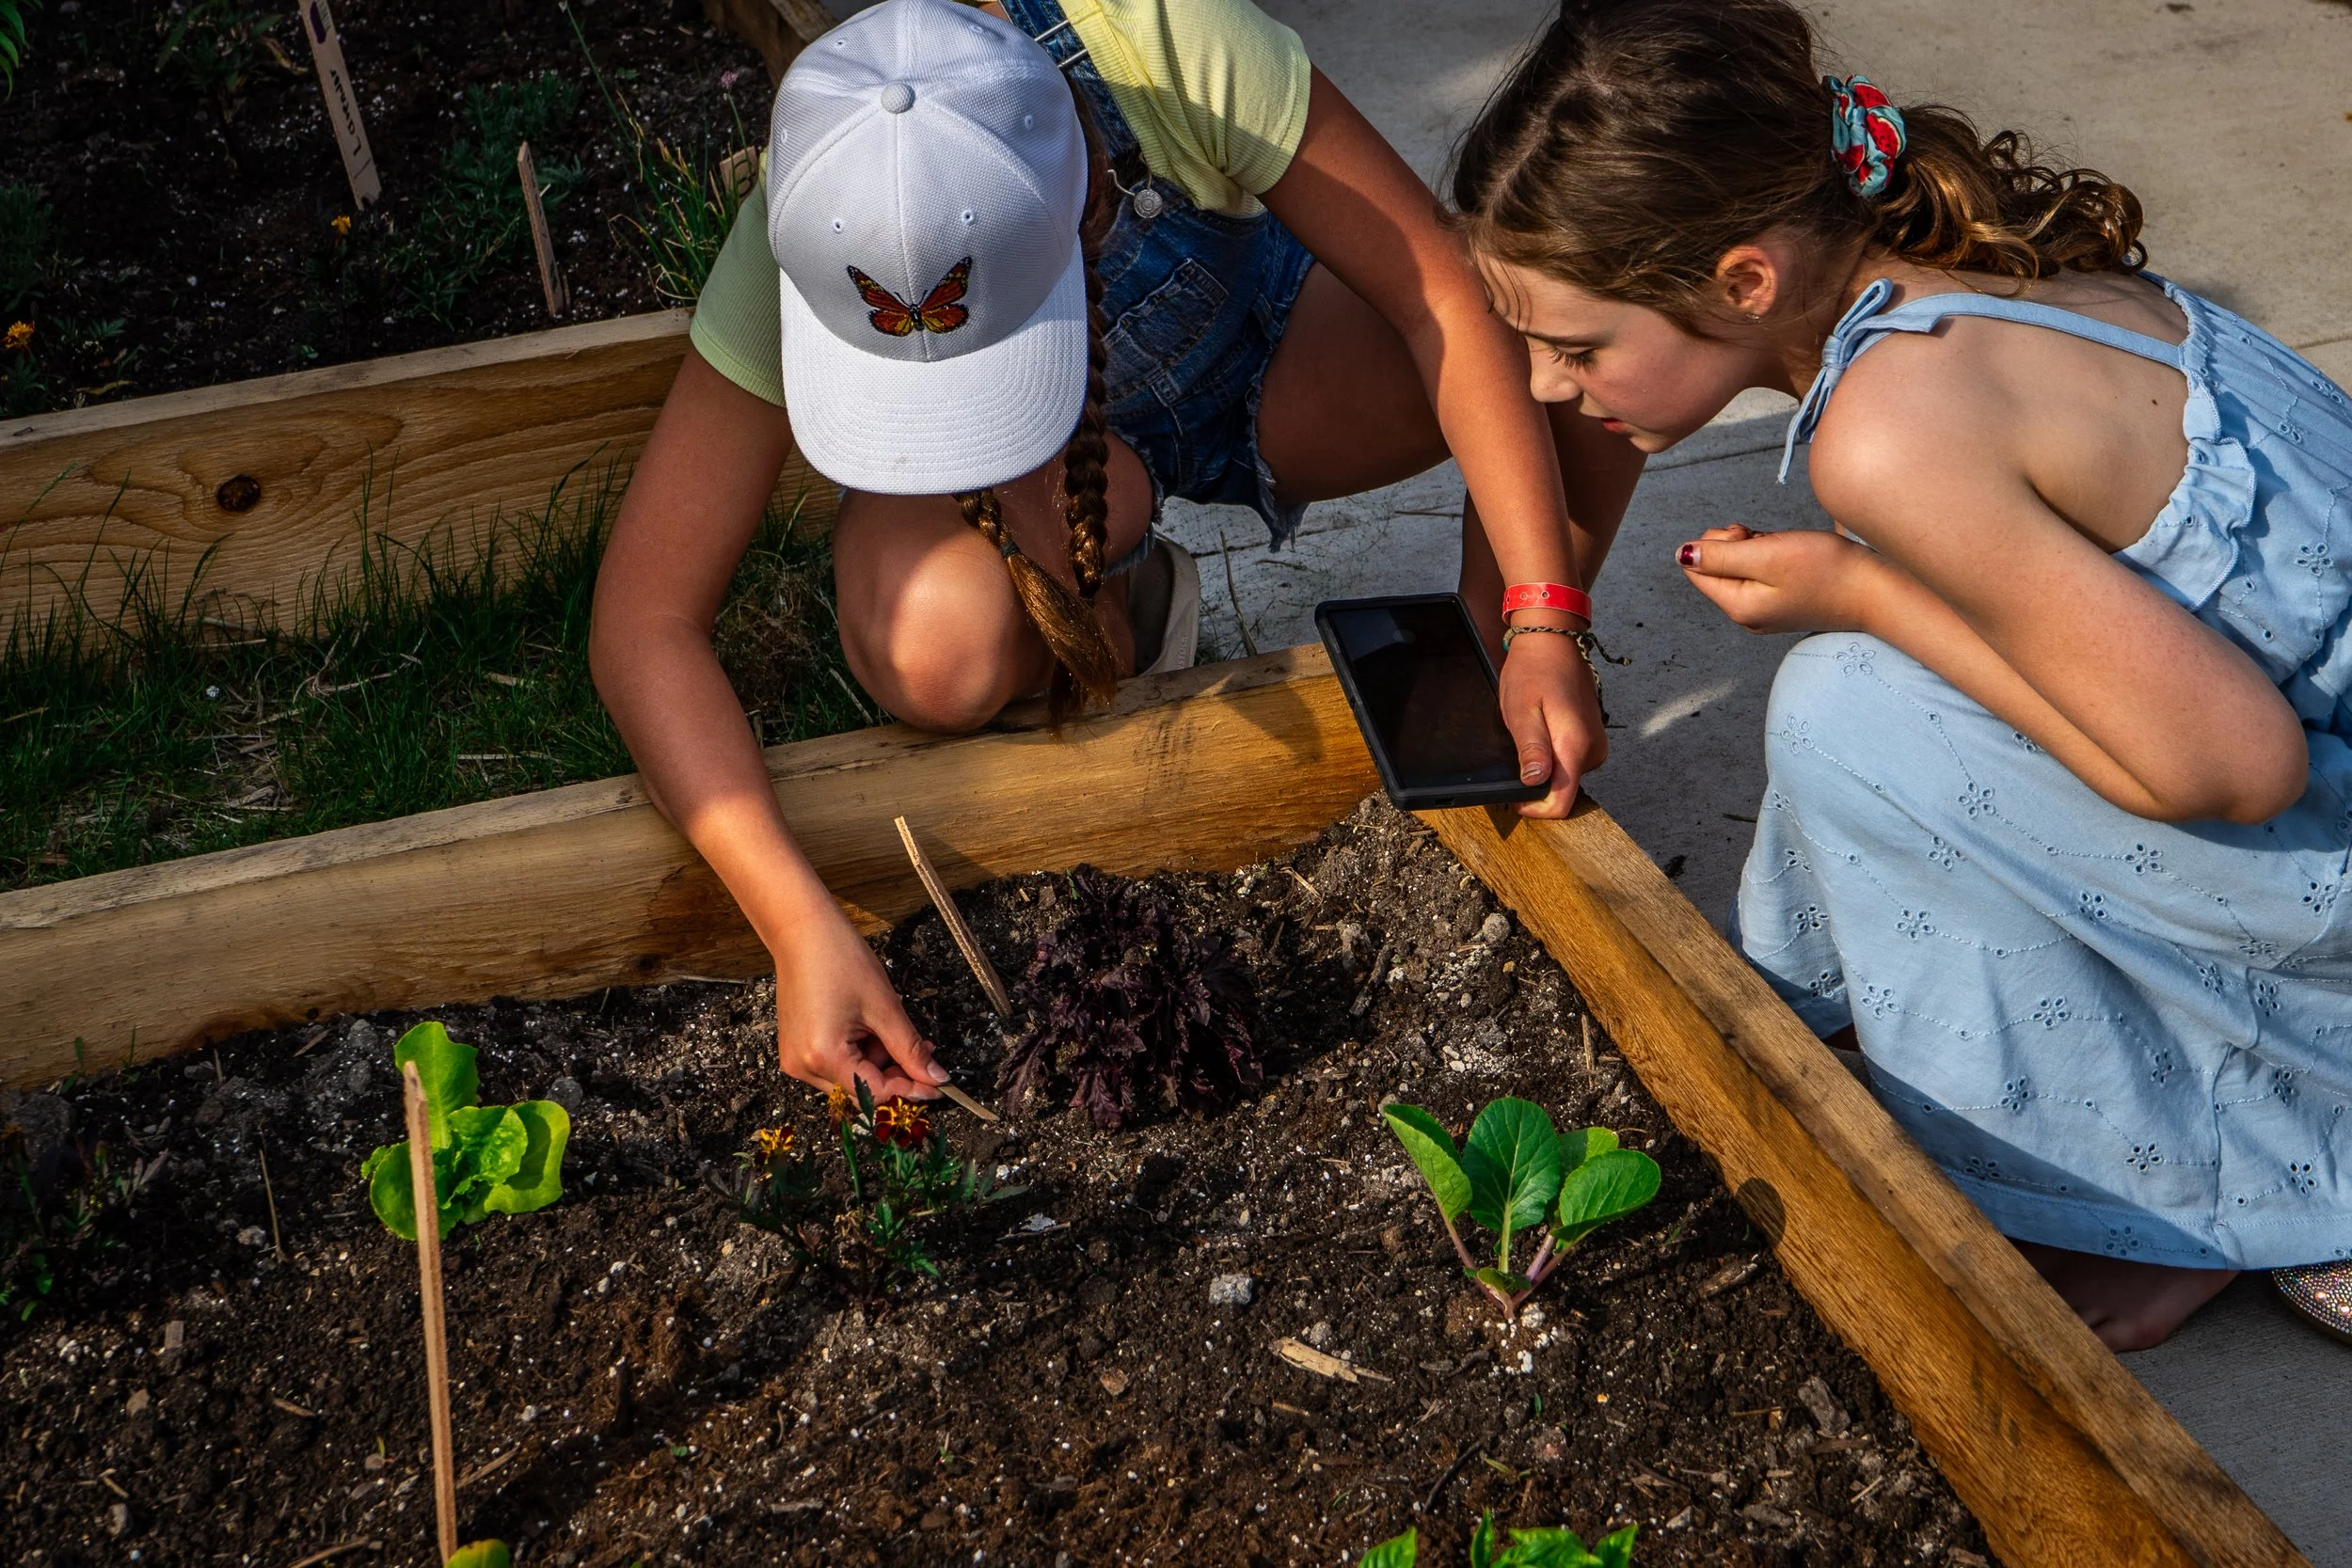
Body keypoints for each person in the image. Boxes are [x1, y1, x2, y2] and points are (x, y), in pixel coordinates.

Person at [1449, 0, 2351, 1350]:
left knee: (1852, 710)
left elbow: (2230, 766)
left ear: (1744, 280)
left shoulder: (1885, 433)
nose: (1549, 383)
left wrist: (1865, 588)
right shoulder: (1985, 273)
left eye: (1577, 347)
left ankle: (2186, 1194)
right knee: (1900, 686)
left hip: (2313, 827)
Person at [590, 0, 1644, 1108]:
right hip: (1072, 472)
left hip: (1275, 344)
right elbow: (644, 620)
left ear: (1089, 197)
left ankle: (1488, 681)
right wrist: (798, 928)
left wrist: (1536, 613)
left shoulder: (1162, 37)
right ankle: (1118, 577)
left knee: (1557, 325)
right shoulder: (826, 208)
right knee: (934, 652)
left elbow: (1437, 297)